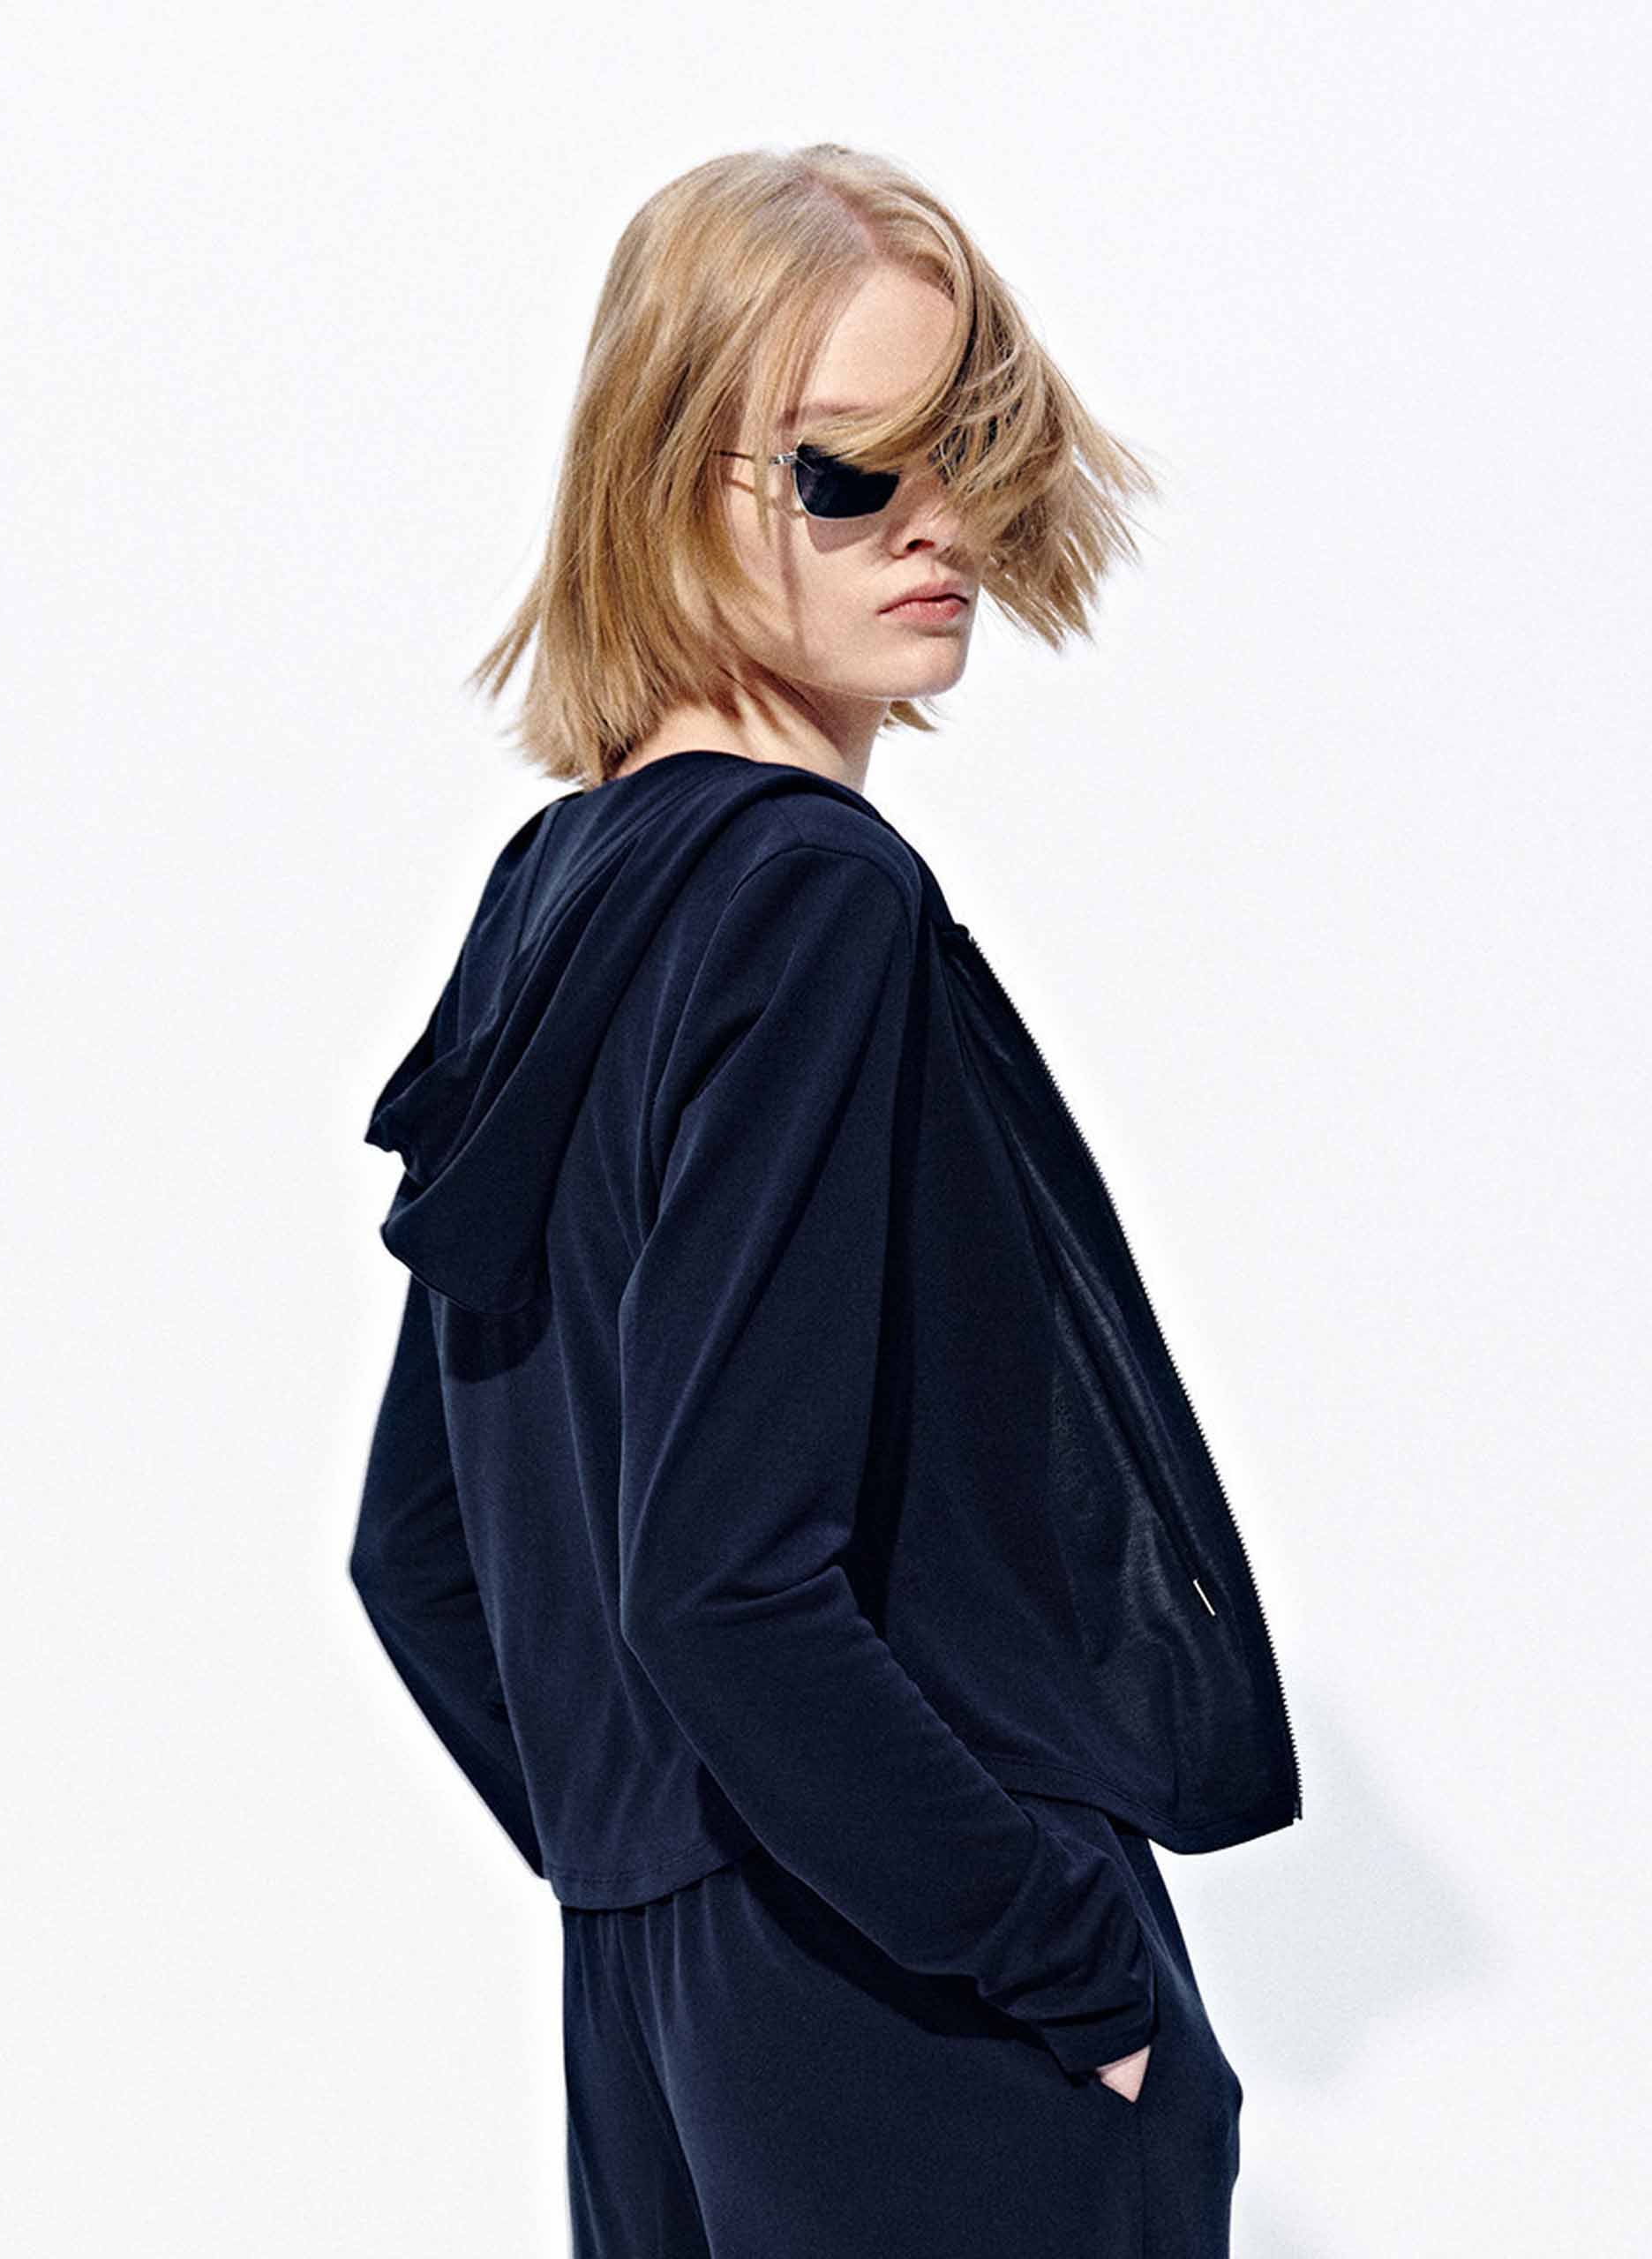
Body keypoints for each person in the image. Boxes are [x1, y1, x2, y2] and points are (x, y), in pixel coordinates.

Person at [349, 142, 1301, 2259]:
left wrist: (655, 1869)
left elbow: (418, 1551)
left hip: (657, 2020)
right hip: (924, 2011)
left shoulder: (552, 901)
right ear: (665, 478)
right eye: (854, 471)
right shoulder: (809, 895)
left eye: (968, 451)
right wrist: (1069, 1963)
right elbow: (720, 1581)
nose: (941, 522)